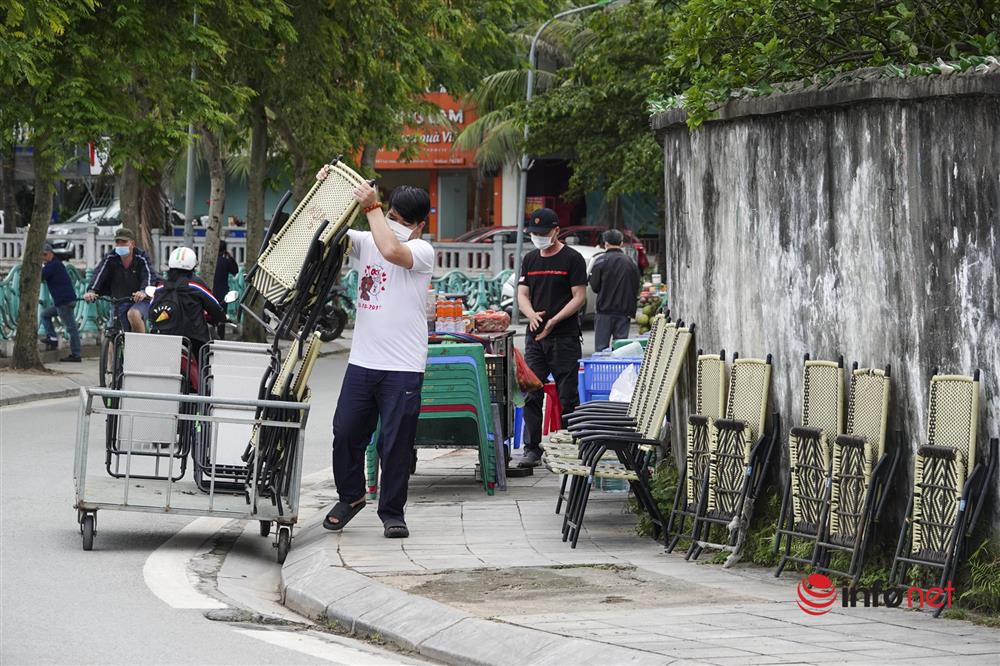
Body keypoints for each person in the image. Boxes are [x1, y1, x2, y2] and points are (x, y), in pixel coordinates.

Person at [319, 165, 434, 540]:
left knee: (394, 444)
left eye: (401, 220)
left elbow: (391, 249)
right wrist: (329, 191)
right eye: (392, 217)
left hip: (403, 366)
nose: (394, 225)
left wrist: (372, 209)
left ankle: (392, 512)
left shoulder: (421, 251)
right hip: (362, 362)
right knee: (345, 432)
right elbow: (322, 230)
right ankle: (351, 497)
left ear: (419, 226)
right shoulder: (365, 240)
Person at [516, 207, 588, 467]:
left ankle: (570, 443)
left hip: (564, 338)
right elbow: (522, 294)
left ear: (557, 231)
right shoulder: (530, 259)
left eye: (544, 233)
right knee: (531, 392)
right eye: (534, 233)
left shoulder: (573, 259)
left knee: (567, 394)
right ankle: (532, 449)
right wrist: (531, 314)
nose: (539, 238)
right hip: (535, 339)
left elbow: (579, 297)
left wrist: (554, 320)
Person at [149, 247, 227, 362]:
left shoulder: (160, 287)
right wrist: (222, 317)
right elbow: (215, 307)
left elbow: (151, 309)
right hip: (194, 339)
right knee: (205, 363)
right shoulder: (196, 285)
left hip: (164, 338)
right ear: (193, 267)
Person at [83, 227, 156, 332]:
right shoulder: (111, 257)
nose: (120, 245)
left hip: (140, 301)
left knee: (133, 315)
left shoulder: (142, 257)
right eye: (118, 242)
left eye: (124, 242)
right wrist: (92, 291)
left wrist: (143, 291)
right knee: (113, 331)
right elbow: (99, 273)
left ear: (132, 244)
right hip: (118, 300)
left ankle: (139, 342)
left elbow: (149, 275)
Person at [589, 229, 642, 352]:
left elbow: (595, 286)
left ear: (605, 243)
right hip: (624, 312)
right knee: (621, 350)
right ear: (621, 243)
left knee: (601, 350)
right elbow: (636, 286)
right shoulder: (631, 262)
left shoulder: (600, 261)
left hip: (604, 311)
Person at [40, 243, 82, 362]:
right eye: (41, 255)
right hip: (67, 300)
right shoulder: (57, 264)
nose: (43, 257)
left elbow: (41, 276)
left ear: (51, 254)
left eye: (45, 255)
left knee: (71, 328)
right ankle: (53, 337)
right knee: (45, 315)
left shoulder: (52, 266)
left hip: (64, 302)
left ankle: (76, 354)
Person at [213, 240, 239, 339]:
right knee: (221, 317)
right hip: (222, 293)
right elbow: (235, 271)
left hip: (210, 292)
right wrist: (230, 257)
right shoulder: (225, 261)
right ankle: (220, 338)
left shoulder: (211, 262)